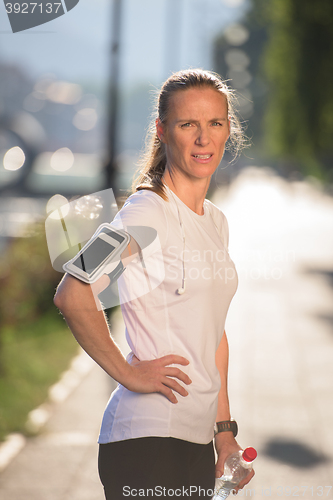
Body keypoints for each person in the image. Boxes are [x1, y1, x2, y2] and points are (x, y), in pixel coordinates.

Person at [54, 69, 255, 499]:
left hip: (196, 442)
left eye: (215, 123)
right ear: (163, 131)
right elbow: (74, 291)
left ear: (227, 130)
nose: (204, 138)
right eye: (188, 125)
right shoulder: (145, 212)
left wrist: (223, 433)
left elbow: (212, 333)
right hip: (146, 442)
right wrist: (127, 373)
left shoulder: (215, 222)